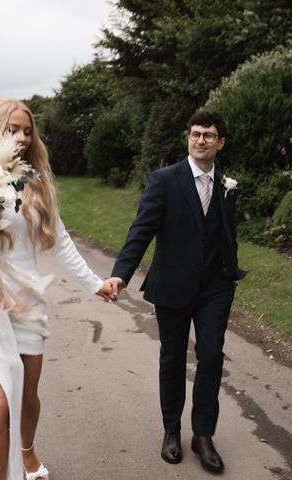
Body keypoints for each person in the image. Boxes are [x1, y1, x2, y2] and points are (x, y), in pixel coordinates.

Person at [0, 98, 115, 480]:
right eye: (12, 129)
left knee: (27, 398)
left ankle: (27, 452)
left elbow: (60, 239)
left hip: (26, 303)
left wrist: (95, 284)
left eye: (26, 130)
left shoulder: (36, 180)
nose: (21, 137)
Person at [108, 110, 246, 474]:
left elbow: (224, 233)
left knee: (212, 355)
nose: (201, 140)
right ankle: (172, 430)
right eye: (196, 133)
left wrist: (231, 269)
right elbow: (142, 230)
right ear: (188, 137)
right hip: (172, 284)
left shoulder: (226, 186)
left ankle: (203, 435)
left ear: (220, 143)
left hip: (215, 287)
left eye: (209, 135)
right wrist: (120, 274)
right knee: (172, 358)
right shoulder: (164, 180)